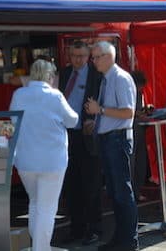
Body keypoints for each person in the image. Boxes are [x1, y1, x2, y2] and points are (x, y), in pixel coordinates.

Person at [9, 59, 79, 251]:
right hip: (51, 161)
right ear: (50, 75)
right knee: (47, 208)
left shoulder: (19, 94)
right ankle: (41, 248)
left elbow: (12, 122)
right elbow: (72, 120)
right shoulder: (55, 96)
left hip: (25, 160)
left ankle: (38, 246)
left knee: (35, 203)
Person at [85, 41, 139, 251]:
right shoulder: (109, 78)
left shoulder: (120, 78)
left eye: (97, 57)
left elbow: (128, 113)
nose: (94, 61)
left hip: (117, 140)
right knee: (116, 193)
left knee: (122, 192)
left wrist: (99, 111)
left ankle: (128, 241)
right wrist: (96, 121)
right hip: (110, 139)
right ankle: (121, 239)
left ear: (109, 57)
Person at [59, 41, 103, 245]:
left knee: (91, 186)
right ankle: (76, 230)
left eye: (82, 56)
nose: (78, 59)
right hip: (66, 136)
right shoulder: (64, 74)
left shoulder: (97, 75)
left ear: (89, 57)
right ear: (69, 55)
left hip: (87, 136)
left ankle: (94, 230)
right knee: (72, 186)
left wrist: (95, 121)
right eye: (74, 55)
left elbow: (106, 104)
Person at [130, 70, 152, 202]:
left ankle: (137, 191)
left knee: (140, 162)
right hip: (131, 130)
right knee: (132, 163)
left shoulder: (139, 94)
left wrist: (145, 111)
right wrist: (138, 114)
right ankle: (132, 192)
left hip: (140, 130)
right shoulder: (127, 93)